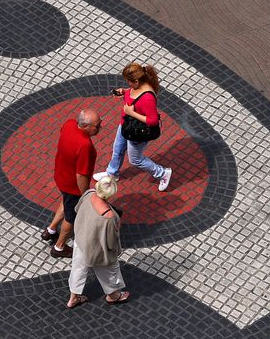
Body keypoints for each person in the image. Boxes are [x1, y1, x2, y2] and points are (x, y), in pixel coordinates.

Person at [94, 62, 172, 192]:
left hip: (137, 132)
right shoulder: (137, 86)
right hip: (126, 124)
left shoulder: (148, 97)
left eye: (128, 82)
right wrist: (124, 92)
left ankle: (162, 173)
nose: (128, 84)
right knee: (117, 149)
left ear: (136, 81)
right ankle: (112, 174)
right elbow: (133, 94)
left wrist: (132, 113)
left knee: (136, 160)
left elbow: (152, 121)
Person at [42, 108, 102, 258]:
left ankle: (51, 230)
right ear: (87, 126)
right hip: (73, 186)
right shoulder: (85, 145)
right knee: (71, 216)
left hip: (60, 176)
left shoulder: (69, 124)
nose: (100, 127)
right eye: (97, 125)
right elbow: (81, 175)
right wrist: (84, 195)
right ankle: (59, 247)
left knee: (66, 201)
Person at [66, 175, 130, 308]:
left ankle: (73, 298)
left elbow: (77, 209)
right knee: (109, 271)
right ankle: (113, 296)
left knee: (78, 268)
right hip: (97, 249)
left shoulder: (89, 193)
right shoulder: (109, 217)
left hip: (81, 239)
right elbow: (111, 242)